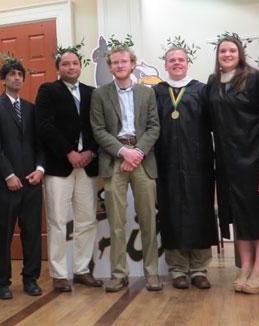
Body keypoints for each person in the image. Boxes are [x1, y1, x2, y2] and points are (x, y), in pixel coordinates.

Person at [205, 36, 259, 294]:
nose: (227, 54)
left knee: (258, 212)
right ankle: (244, 267)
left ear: (240, 53)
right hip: (226, 159)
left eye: (232, 50)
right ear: (217, 55)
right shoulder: (212, 82)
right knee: (237, 213)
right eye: (222, 51)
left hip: (254, 156)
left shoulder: (255, 78)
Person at [90, 45, 162, 292]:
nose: (120, 66)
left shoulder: (147, 93)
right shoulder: (100, 95)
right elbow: (98, 130)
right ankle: (119, 274)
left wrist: (137, 152)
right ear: (109, 67)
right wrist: (123, 152)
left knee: (148, 220)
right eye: (115, 63)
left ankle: (152, 273)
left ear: (132, 64)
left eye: (124, 62)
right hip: (114, 160)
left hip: (143, 160)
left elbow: (154, 127)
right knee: (116, 222)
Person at [35, 50, 101, 292]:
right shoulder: (48, 90)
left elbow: (99, 126)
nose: (71, 67)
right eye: (66, 64)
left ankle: (82, 270)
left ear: (80, 67)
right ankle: (59, 274)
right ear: (58, 68)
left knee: (87, 221)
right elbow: (44, 126)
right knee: (57, 222)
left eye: (75, 63)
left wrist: (90, 152)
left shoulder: (91, 93)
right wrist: (68, 152)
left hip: (87, 165)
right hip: (59, 166)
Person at [153, 47, 218, 290]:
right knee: (172, 213)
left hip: (198, 162)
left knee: (200, 212)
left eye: (181, 60)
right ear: (166, 65)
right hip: (166, 161)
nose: (177, 63)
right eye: (172, 60)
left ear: (187, 64)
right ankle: (178, 269)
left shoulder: (201, 90)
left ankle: (200, 269)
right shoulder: (156, 91)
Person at [0, 58, 45, 300]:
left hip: (31, 182)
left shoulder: (31, 108)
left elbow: (41, 144)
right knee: (4, 234)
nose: (17, 77)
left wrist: (40, 169)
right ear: (3, 79)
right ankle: (1, 282)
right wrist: (8, 174)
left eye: (20, 74)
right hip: (4, 184)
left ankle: (31, 279)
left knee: (32, 233)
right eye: (12, 74)